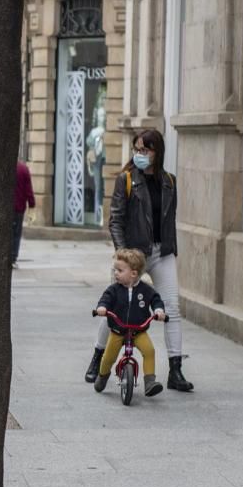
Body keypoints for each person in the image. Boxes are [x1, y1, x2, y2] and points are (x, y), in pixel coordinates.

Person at [83, 129, 193, 392]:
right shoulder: (127, 179)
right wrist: (124, 256)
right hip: (132, 254)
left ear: (158, 152)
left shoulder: (170, 181)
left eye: (145, 149)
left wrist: (171, 248)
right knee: (114, 310)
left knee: (171, 309)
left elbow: (169, 220)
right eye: (137, 149)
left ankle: (175, 370)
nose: (140, 154)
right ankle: (98, 358)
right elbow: (116, 220)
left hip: (161, 252)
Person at [93, 248, 166, 396]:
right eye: (115, 270)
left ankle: (150, 382)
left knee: (149, 351)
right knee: (108, 357)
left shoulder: (146, 290)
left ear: (133, 273)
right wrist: (101, 308)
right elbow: (105, 299)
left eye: (120, 270)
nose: (115, 273)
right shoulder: (114, 289)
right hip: (118, 330)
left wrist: (159, 311)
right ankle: (102, 376)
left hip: (139, 331)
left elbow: (156, 300)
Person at [12, 160, 36, 269]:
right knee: (16, 233)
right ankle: (13, 257)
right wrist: (32, 203)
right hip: (19, 206)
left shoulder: (3, 168)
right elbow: (28, 189)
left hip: (5, 207)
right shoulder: (23, 169)